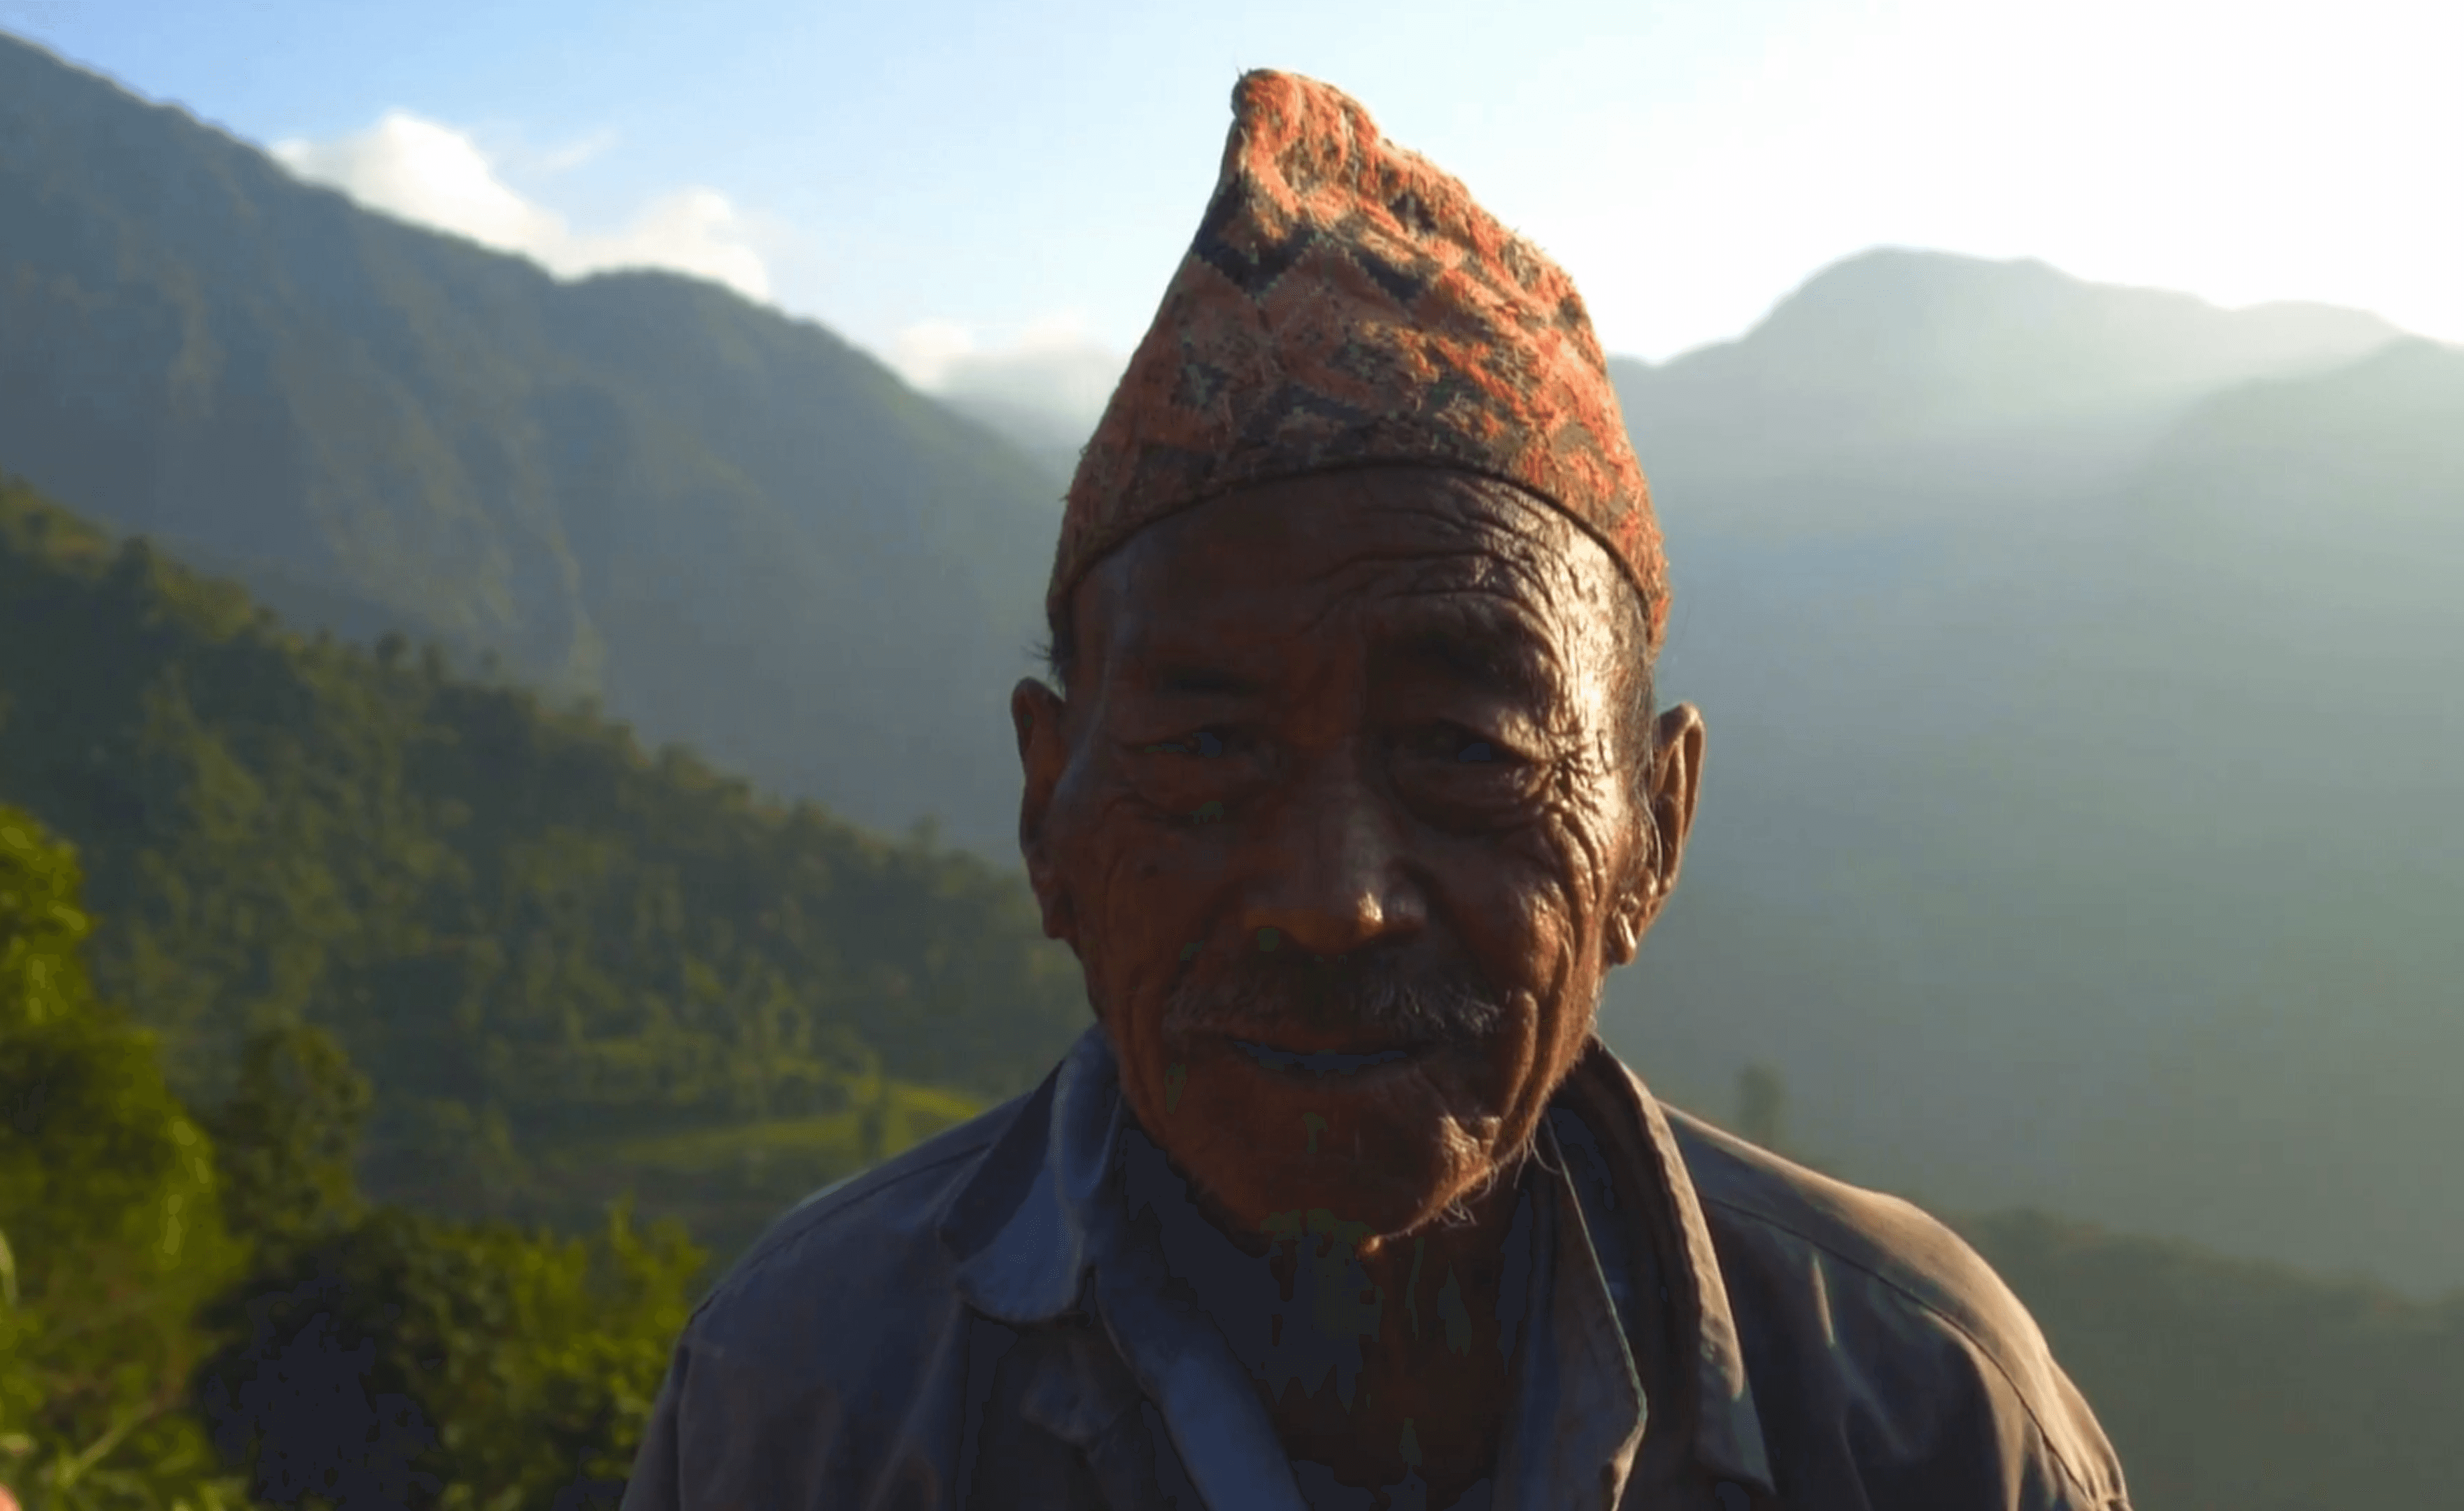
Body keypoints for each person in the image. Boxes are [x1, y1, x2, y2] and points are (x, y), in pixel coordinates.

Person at [620, 69, 2133, 1510]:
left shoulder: (1920, 1414)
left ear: (1653, 829)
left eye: (1466, 751)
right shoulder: (808, 1402)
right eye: (1208, 750)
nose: (1334, 902)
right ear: (1048, 809)